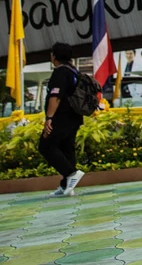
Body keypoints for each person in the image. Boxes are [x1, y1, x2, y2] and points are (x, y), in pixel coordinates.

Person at [39, 42, 86, 197]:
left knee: (46, 145)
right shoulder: (73, 71)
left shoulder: (60, 72)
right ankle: (67, 186)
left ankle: (71, 173)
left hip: (62, 117)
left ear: (55, 56)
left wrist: (49, 118)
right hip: (75, 116)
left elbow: (55, 96)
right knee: (67, 148)